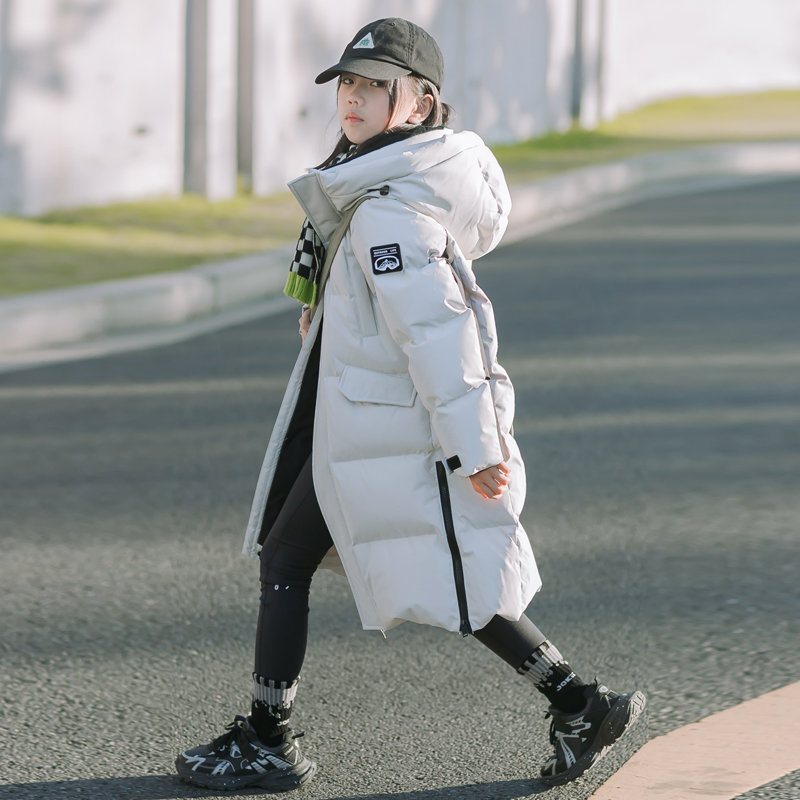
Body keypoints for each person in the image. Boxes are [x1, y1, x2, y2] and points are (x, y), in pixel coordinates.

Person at [175, 17, 645, 793]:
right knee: (436, 563)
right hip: (366, 425)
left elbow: (442, 332)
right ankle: (577, 703)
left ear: (420, 104)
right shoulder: (374, 189)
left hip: (392, 428)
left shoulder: (389, 210)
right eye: (347, 83)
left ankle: (268, 739)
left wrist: (476, 449)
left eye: (374, 86)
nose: (352, 98)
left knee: (315, 561)